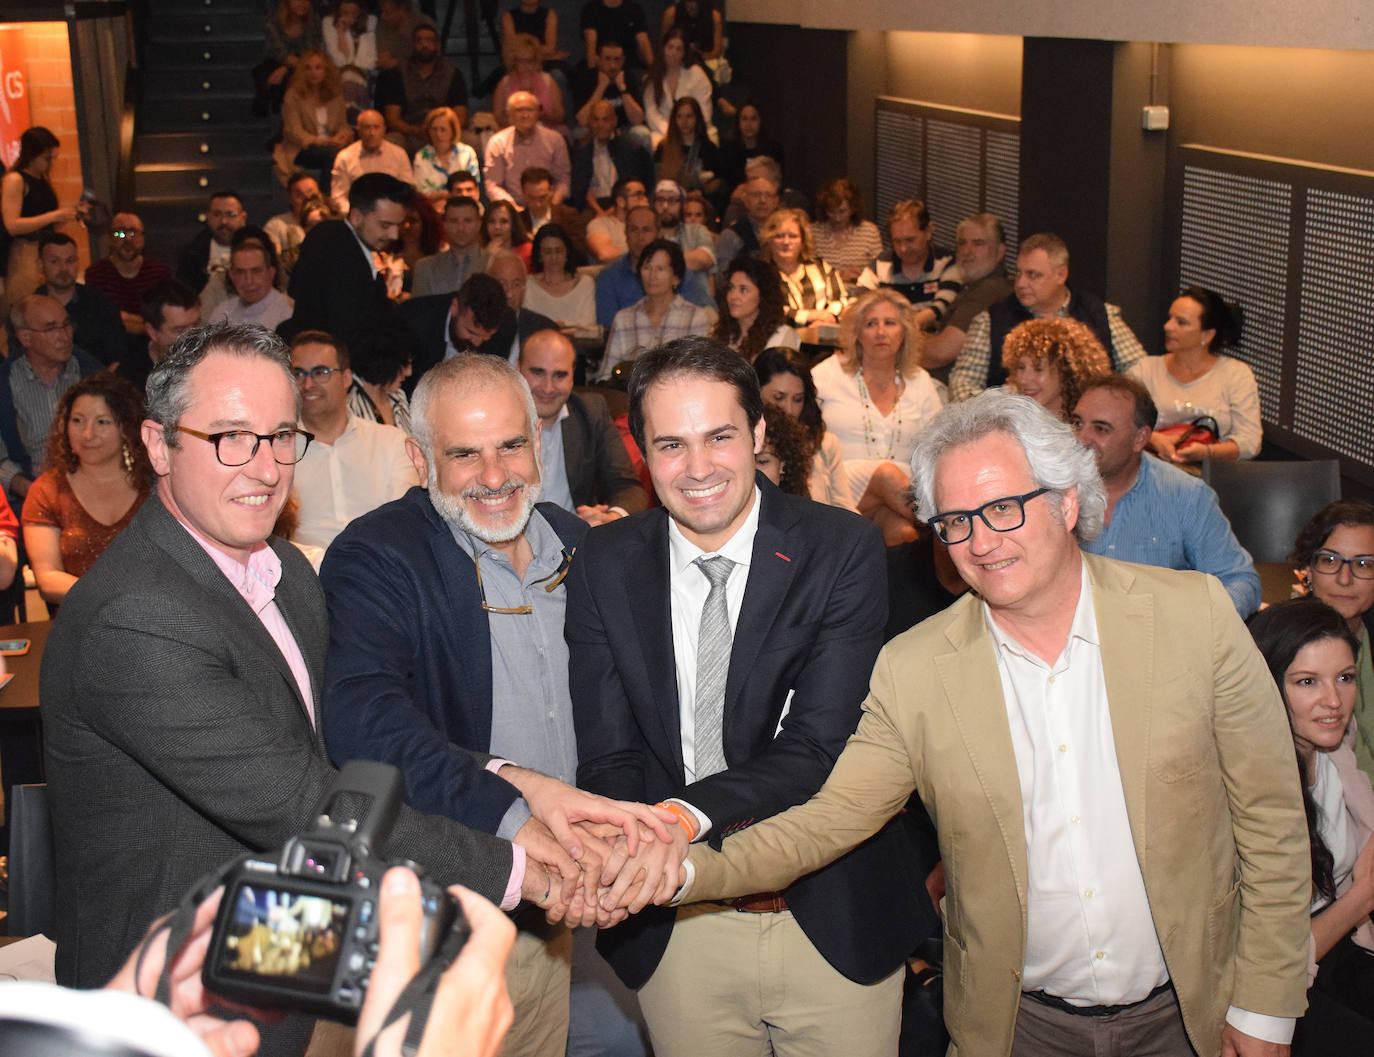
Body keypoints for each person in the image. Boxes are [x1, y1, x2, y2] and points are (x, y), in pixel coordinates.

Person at [673, 386, 1312, 1057]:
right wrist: (686, 868)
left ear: (1067, 501)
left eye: (1003, 508)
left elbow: (1271, 822)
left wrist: (1265, 1009)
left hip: (1192, 1020)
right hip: (1016, 1030)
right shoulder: (914, 669)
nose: (980, 540)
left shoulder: (1195, 617)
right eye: (954, 520)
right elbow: (828, 819)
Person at [38, 322, 589, 1055]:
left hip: (293, 965)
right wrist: (524, 867)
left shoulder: (284, 571)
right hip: (174, 1006)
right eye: (231, 437)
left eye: (279, 436)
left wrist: (509, 779)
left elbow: (350, 742)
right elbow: (301, 802)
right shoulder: (135, 616)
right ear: (161, 444)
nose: (264, 467)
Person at [565, 336, 936, 1057]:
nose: (698, 468)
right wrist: (630, 844)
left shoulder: (840, 549)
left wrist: (676, 819)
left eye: (720, 437)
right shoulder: (603, 563)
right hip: (678, 921)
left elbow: (817, 744)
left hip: (828, 913)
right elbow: (608, 751)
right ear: (640, 450)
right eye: (670, 444)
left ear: (759, 434)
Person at [319, 352, 670, 1057]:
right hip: (448, 911)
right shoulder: (377, 556)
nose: (494, 475)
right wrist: (515, 814)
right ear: (420, 459)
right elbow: (368, 724)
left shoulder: (582, 546)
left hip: (573, 904)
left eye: (511, 444)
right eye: (464, 454)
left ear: (538, 441)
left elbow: (630, 709)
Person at [1247, 598, 1374, 1055]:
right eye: (1307, 682)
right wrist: (1363, 896)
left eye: (1344, 677)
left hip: (1343, 946)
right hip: (1282, 983)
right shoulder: (1249, 791)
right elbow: (1272, 964)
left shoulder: (1337, 748)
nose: (1334, 701)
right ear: (1266, 686)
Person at [1073, 374, 1261, 616]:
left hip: (1156, 641)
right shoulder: (1050, 487)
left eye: (1101, 429)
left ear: (1140, 438)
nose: (1082, 438)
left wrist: (1192, 627)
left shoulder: (1186, 496)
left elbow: (1240, 582)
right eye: (1078, 423)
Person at [812, 289, 944, 544]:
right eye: (871, 324)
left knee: (903, 534)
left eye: (890, 323)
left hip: (899, 494)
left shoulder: (919, 380)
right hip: (839, 482)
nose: (881, 332)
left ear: (904, 332)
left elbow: (939, 445)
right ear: (857, 333)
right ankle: (947, 530)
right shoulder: (827, 374)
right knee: (885, 474)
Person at [949, 232, 1146, 402]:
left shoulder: (1100, 314)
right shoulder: (990, 321)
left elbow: (1140, 372)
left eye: (1033, 275)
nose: (1021, 283)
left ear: (1061, 274)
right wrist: (1004, 409)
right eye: (1018, 273)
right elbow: (962, 385)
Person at [21, 373, 151, 608]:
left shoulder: (154, 486)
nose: (87, 434)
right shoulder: (47, 490)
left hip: (153, 621)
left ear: (126, 428)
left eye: (102, 422)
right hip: (77, 626)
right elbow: (48, 579)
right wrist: (114, 601)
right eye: (77, 420)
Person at [289, 330, 417, 550]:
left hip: (378, 570)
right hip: (303, 574)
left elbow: (403, 524)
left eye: (320, 372)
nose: (308, 384)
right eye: (299, 373)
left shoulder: (391, 443)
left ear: (346, 378)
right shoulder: (279, 450)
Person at [518, 328, 646, 523]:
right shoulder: (493, 418)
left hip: (575, 541)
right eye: (538, 372)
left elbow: (629, 488)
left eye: (560, 375)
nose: (548, 387)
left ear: (572, 376)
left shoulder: (591, 412)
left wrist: (610, 518)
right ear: (518, 369)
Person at [1291, 500, 1374, 785]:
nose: (1345, 578)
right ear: (1308, 570)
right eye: (1330, 560)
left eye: (1364, 564)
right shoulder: (1281, 647)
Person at [1130, 286, 1262, 464]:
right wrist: (1153, 439)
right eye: (1170, 318)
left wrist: (1207, 452)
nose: (1168, 327)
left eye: (1181, 322)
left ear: (1207, 335)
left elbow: (1250, 443)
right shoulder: (1145, 370)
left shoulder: (1236, 375)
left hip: (1212, 476)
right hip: (1152, 469)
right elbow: (1119, 423)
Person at [1, 294, 102, 511]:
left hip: (93, 490)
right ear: (25, 337)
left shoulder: (90, 373)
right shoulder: (5, 383)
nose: (65, 336)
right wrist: (33, 490)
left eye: (67, 325)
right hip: (29, 496)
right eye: (51, 329)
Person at [288, 171, 411, 342]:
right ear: (356, 217)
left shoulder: (326, 235)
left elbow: (293, 288)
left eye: (398, 225)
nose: (394, 235)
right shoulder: (336, 247)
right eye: (385, 225)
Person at [598, 238, 715, 381]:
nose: (652, 276)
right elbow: (606, 374)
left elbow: (702, 374)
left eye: (660, 269)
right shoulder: (624, 318)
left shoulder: (696, 317)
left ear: (676, 278)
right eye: (647, 268)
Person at [754, 347, 854, 511]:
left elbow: (846, 510)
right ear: (756, 393)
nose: (789, 409)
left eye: (798, 399)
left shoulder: (824, 443)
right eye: (779, 398)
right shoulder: (744, 442)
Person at [921, 212, 1012, 373]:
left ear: (1000, 251)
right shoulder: (973, 285)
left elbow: (941, 353)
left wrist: (899, 344)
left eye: (978, 244)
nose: (967, 251)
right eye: (962, 243)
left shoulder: (990, 291)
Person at [1, 127, 79, 311]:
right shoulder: (16, 180)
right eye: (47, 159)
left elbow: (49, 225)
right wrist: (53, 215)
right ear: (31, 155)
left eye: (54, 158)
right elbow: (12, 225)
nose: (51, 164)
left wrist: (70, 214)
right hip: (24, 252)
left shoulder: (43, 181)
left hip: (46, 249)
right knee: (28, 306)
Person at [856, 198, 961, 329]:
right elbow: (859, 304)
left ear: (928, 232)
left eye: (910, 240)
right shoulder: (880, 264)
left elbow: (942, 306)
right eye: (897, 242)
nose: (903, 249)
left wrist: (903, 328)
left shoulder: (947, 262)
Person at [32, 231, 124, 367]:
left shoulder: (101, 304)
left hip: (95, 382)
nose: (63, 268)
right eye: (54, 261)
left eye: (70, 261)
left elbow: (117, 357)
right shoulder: (29, 309)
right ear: (40, 265)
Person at [375, 24, 470, 156]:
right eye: (419, 41)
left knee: (473, 142)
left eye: (429, 41)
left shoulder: (452, 74)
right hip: (409, 132)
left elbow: (461, 116)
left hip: (444, 130)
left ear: (437, 45)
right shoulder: (397, 74)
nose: (424, 45)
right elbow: (392, 118)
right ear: (412, 45)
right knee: (388, 143)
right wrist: (415, 130)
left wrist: (441, 130)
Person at [1002, 317, 1112, 421]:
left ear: (1067, 371)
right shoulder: (1008, 419)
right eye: (1021, 368)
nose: (1024, 380)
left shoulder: (1087, 429)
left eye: (1038, 369)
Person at [84, 211, 174, 338]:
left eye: (133, 232)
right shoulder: (96, 273)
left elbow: (164, 319)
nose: (127, 239)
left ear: (143, 238)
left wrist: (124, 318)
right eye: (119, 233)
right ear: (110, 238)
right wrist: (144, 324)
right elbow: (100, 320)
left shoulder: (160, 272)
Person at [273, 50, 353, 187]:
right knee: (332, 155)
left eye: (318, 68)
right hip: (303, 147)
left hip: (332, 144)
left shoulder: (335, 95)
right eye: (308, 68)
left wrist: (342, 136)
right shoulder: (293, 95)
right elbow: (294, 131)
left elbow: (343, 125)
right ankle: (326, 199)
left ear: (326, 71)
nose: (313, 72)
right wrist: (325, 142)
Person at [760, 208, 847, 327]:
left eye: (793, 236)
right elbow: (767, 310)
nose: (786, 242)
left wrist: (826, 319)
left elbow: (840, 300)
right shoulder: (761, 273)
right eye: (779, 236)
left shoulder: (821, 267)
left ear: (803, 241)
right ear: (769, 240)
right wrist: (810, 316)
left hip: (822, 337)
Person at [484, 92, 572, 207]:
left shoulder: (555, 140)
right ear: (509, 115)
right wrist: (514, 209)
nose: (525, 115)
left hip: (550, 205)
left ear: (538, 113)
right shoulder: (497, 143)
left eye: (530, 110)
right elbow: (493, 185)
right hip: (512, 208)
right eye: (519, 110)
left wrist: (552, 206)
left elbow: (563, 179)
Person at [118, 279, 201, 393]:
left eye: (196, 324)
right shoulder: (129, 380)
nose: (192, 336)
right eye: (179, 330)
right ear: (152, 331)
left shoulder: (214, 361)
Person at [711, 254, 797, 361]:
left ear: (763, 295)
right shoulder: (719, 334)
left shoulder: (781, 337)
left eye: (744, 289)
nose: (733, 296)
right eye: (731, 288)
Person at [175, 190, 247, 315]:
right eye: (217, 214)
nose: (224, 221)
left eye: (231, 214)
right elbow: (183, 299)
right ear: (207, 217)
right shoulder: (192, 254)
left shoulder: (256, 252)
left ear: (243, 218)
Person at [641, 28, 714, 150]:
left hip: (695, 132)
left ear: (685, 53)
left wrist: (686, 132)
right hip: (663, 132)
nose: (673, 52)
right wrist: (672, 133)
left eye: (678, 49)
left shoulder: (697, 75)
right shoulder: (652, 77)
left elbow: (705, 112)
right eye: (670, 47)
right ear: (663, 48)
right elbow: (651, 113)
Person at [329, 109, 414, 213]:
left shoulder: (399, 155)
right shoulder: (344, 157)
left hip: (392, 215)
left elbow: (408, 192)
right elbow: (338, 198)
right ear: (358, 130)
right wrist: (355, 215)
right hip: (358, 217)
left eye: (376, 127)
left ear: (384, 129)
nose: (371, 133)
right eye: (367, 127)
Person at [524, 225, 598, 338]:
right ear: (539, 255)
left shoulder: (585, 284)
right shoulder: (528, 285)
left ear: (567, 252)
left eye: (558, 251)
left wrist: (557, 325)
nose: (553, 257)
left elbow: (589, 327)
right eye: (547, 252)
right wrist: (570, 326)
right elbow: (528, 326)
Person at [254, 0, 323, 117]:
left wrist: (286, 68)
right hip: (276, 62)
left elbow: (311, 50)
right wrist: (286, 66)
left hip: (304, 62)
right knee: (273, 77)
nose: (302, 3)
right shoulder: (274, 23)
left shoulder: (314, 22)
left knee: (299, 74)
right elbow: (280, 52)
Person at [572, 40, 648, 144]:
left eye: (617, 60)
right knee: (580, 132)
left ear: (623, 61)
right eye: (607, 59)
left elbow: (638, 120)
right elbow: (582, 120)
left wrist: (623, 89)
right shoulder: (586, 79)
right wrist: (601, 87)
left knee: (641, 133)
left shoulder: (629, 78)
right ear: (598, 60)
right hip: (596, 129)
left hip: (623, 129)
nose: (613, 66)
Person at [811, 178, 885, 285]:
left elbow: (880, 271)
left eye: (842, 211)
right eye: (831, 212)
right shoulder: (814, 232)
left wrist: (862, 275)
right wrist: (839, 276)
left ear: (853, 208)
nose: (837, 218)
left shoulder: (869, 231)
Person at [346, 321, 416, 432]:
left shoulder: (398, 396)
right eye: (404, 365)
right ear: (384, 363)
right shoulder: (349, 406)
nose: (409, 372)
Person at [210, 240, 295, 331]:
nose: (249, 281)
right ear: (232, 276)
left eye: (256, 271)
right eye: (240, 272)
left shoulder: (288, 314)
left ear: (271, 273)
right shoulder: (221, 315)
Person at [413, 195, 485, 297]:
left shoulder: (493, 263)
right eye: (454, 221)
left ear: (479, 224)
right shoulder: (426, 268)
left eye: (468, 221)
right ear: (444, 224)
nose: (461, 228)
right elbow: (418, 310)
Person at [495, 34, 566, 132]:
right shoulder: (504, 83)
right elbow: (498, 117)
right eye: (521, 61)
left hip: (548, 131)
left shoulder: (548, 80)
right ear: (513, 61)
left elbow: (560, 115)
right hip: (514, 133)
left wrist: (543, 116)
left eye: (530, 61)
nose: (526, 65)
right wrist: (520, 122)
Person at [412, 106, 482, 206]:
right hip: (433, 209)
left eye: (443, 129)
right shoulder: (421, 156)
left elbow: (473, 190)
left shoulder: (467, 153)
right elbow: (420, 195)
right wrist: (446, 196)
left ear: (453, 131)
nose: (438, 134)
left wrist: (443, 196)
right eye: (434, 129)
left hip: (465, 206)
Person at [713, 173, 777, 280]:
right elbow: (722, 278)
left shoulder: (784, 235)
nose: (762, 201)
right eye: (756, 195)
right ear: (745, 200)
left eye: (768, 195)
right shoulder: (731, 235)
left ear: (776, 201)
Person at [652, 97, 720, 196]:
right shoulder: (663, 147)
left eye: (689, 116)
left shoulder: (708, 148)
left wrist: (703, 192)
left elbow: (717, 180)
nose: (684, 121)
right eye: (679, 116)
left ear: (697, 118)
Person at [322, 0, 378, 114]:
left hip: (366, 73)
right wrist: (341, 33)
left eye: (354, 13)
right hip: (339, 73)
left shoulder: (371, 21)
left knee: (350, 80)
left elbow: (371, 61)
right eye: (345, 13)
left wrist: (353, 67)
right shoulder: (329, 22)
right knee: (348, 79)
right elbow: (340, 61)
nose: (350, 17)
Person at [718, 103, 782, 201]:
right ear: (738, 122)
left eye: (753, 119)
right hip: (736, 198)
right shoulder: (728, 149)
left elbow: (777, 180)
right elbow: (725, 181)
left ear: (761, 121)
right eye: (744, 119)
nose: (748, 124)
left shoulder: (773, 149)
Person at [518, 167, 589, 252]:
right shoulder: (518, 221)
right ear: (523, 194)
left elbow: (580, 249)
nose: (538, 204)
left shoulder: (568, 215)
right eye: (532, 198)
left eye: (542, 197)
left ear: (551, 191)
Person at [583, 176, 650, 261]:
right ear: (621, 202)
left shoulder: (650, 225)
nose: (645, 200)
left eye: (644, 195)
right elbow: (604, 254)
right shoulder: (599, 224)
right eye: (638, 195)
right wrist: (644, 250)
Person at [264, 173, 323, 264]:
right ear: (290, 199)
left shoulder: (333, 221)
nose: (307, 198)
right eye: (300, 196)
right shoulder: (275, 225)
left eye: (311, 193)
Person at [754, 404, 812, 497]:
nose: (754, 471)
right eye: (745, 462)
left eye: (762, 462)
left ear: (782, 464)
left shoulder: (802, 509)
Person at [579, 0, 653, 70]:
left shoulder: (634, 10)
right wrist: (593, 72)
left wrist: (655, 71)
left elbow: (643, 43)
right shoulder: (591, 9)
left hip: (629, 66)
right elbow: (591, 44)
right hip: (601, 66)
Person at [502, 0, 565, 67]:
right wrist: (543, 53)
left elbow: (550, 48)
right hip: (518, 63)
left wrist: (525, 51)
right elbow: (512, 48)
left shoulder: (550, 14)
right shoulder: (508, 17)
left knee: (558, 74)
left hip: (546, 62)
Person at [480, 199, 534, 272]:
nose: (497, 227)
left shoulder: (528, 252)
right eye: (491, 221)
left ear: (513, 224)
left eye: (504, 222)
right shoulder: (478, 252)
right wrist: (486, 258)